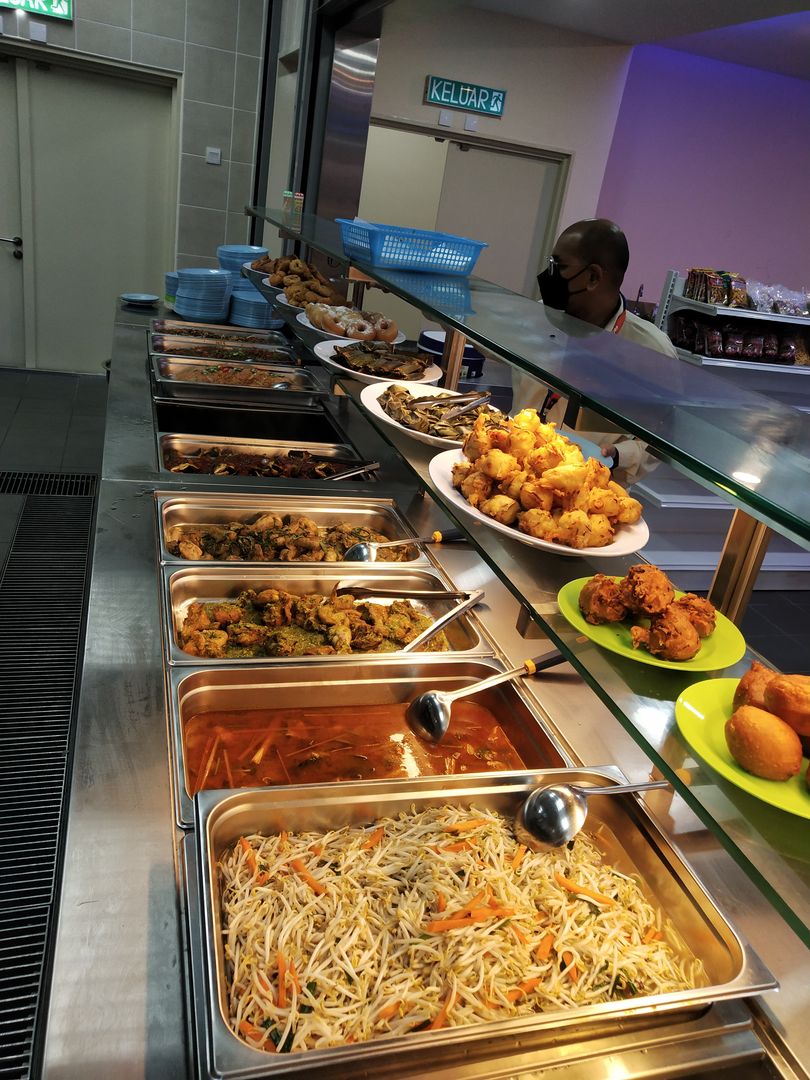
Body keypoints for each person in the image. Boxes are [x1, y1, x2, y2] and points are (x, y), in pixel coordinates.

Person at [512, 218, 678, 485]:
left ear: (592, 277)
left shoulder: (651, 352)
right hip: (513, 470)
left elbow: (664, 436)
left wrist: (620, 455)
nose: (549, 275)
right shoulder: (536, 317)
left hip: (586, 490)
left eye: (559, 266)